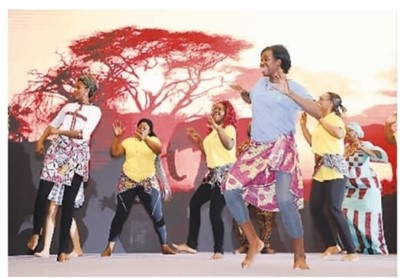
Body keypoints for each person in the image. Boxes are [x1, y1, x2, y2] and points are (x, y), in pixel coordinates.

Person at [224, 44, 322, 269]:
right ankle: (254, 242)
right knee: (230, 189)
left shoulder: (293, 86)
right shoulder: (260, 84)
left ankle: (300, 255)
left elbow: (317, 111)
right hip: (257, 149)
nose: (262, 63)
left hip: (281, 148)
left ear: (279, 62)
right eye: (261, 59)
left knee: (286, 201)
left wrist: (290, 94)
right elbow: (255, 100)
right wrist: (245, 95)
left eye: (266, 59)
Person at [26, 73, 102, 262]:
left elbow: (82, 134)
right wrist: (41, 141)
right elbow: (52, 125)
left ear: (88, 90)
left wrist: (58, 132)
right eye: (75, 87)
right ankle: (36, 232)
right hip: (58, 151)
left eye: (78, 87)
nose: (74, 90)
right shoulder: (68, 107)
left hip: (76, 155)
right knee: (42, 194)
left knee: (68, 203)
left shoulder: (95, 112)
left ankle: (62, 250)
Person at [100, 118, 176, 256]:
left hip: (147, 181)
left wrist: (145, 138)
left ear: (150, 131)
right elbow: (115, 153)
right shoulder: (128, 141)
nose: (141, 129)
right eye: (139, 127)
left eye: (145, 128)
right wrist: (117, 137)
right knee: (120, 214)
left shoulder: (154, 141)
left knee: (157, 214)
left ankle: (165, 246)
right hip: (128, 181)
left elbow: (158, 150)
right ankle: (109, 248)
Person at [172, 100, 237, 260]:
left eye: (220, 109)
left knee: (215, 212)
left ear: (227, 113)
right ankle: (191, 245)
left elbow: (229, 145)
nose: (216, 110)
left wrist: (217, 127)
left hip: (225, 176)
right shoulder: (212, 133)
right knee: (194, 204)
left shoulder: (228, 129)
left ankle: (219, 250)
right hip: (213, 175)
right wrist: (199, 140)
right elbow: (209, 154)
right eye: (214, 108)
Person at [300, 92, 359, 262]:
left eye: (322, 99)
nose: (318, 101)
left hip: (335, 170)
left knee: (334, 208)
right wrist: (304, 126)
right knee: (315, 208)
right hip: (321, 170)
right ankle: (332, 244)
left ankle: (351, 250)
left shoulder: (334, 119)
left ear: (331, 103)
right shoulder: (321, 123)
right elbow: (313, 143)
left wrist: (320, 119)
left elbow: (340, 134)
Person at [342, 122, 389, 254]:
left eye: (350, 131)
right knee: (342, 213)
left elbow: (382, 157)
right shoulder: (345, 148)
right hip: (350, 189)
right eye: (347, 131)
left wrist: (363, 149)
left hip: (366, 188)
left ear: (357, 133)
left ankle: (375, 249)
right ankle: (355, 246)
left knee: (369, 220)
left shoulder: (366, 144)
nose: (348, 134)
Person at [231, 122, 276, 255]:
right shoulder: (244, 146)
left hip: (264, 186)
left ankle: (265, 244)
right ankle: (246, 244)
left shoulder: (270, 146)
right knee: (239, 213)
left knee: (266, 216)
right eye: (251, 128)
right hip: (246, 185)